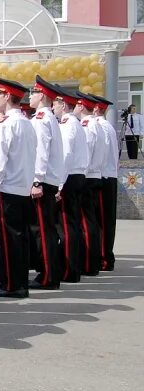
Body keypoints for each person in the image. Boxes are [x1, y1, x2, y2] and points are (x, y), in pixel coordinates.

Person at [0, 78, 37, 299]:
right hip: (23, 187)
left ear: (7, 96)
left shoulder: (7, 124)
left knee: (9, 240)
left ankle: (11, 285)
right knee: (20, 238)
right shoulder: (27, 122)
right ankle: (20, 282)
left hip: (7, 188)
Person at [27, 76, 66, 290]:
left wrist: (37, 180)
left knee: (44, 231)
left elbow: (41, 152)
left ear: (41, 95)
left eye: (33, 93)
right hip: (49, 181)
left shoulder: (42, 118)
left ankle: (48, 276)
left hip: (43, 182)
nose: (30, 96)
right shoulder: (48, 118)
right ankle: (49, 273)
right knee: (46, 230)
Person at [52, 84, 89, 283]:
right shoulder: (75, 124)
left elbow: (65, 155)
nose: (54, 107)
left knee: (66, 226)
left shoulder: (67, 124)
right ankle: (74, 267)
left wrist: (59, 185)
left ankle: (68, 269)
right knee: (73, 225)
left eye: (56, 103)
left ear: (63, 105)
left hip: (69, 177)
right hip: (77, 176)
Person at [75, 92, 109, 276]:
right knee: (91, 221)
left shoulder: (88, 125)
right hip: (96, 175)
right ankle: (92, 261)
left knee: (86, 222)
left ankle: (88, 263)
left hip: (88, 176)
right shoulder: (97, 125)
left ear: (81, 106)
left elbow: (86, 154)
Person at [90, 94, 119, 271]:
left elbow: (100, 155)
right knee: (106, 221)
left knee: (102, 221)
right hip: (109, 176)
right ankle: (106, 255)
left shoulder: (100, 126)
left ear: (96, 109)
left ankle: (104, 257)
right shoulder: (107, 126)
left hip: (104, 177)